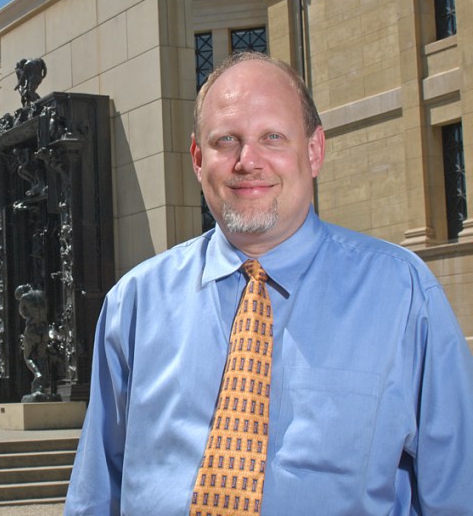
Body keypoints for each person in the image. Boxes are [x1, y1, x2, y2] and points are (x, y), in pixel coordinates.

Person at [64, 51, 473, 514]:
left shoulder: (403, 295)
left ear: (314, 150)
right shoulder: (134, 304)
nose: (248, 161)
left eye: (272, 137)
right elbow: (97, 494)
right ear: (198, 159)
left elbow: (457, 489)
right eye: (226, 141)